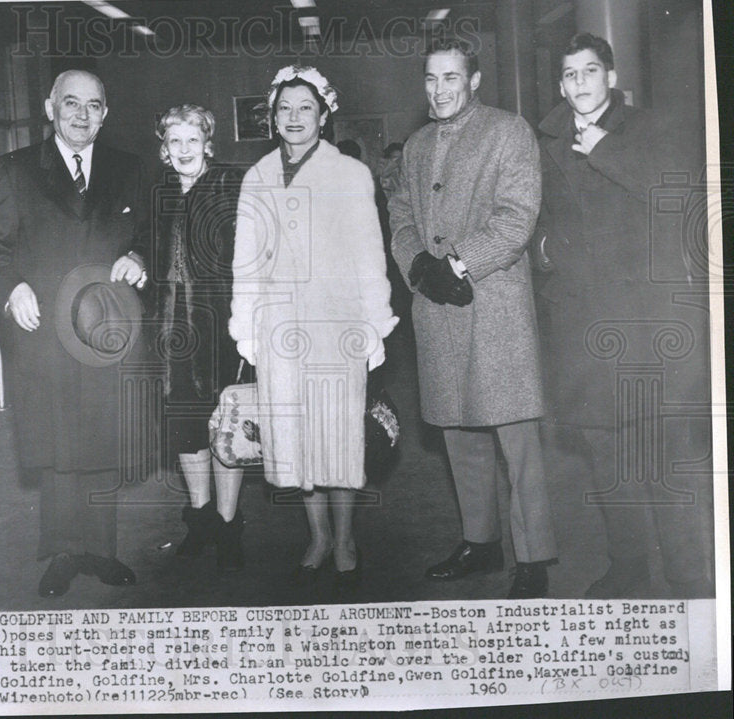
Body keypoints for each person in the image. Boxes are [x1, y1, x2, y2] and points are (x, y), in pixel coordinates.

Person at [535, 33, 713, 598]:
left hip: (644, 321)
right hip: (583, 326)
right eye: (569, 74)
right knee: (608, 459)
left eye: (590, 71)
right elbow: (539, 214)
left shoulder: (649, 128)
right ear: (560, 84)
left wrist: (604, 148)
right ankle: (629, 566)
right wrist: (543, 251)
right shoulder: (548, 137)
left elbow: (677, 193)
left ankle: (689, 577)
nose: (579, 83)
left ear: (610, 76)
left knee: (663, 456)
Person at [0, 70, 149, 598]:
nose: (81, 114)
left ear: (105, 113)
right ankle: (64, 552)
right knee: (56, 445)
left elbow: (150, 235)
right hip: (44, 334)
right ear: (49, 107)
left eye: (93, 105)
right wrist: (11, 287)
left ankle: (102, 550)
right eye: (70, 103)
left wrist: (140, 257)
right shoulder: (14, 168)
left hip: (105, 331)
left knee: (102, 438)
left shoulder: (129, 168)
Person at [388, 41, 556, 598]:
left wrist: (457, 263)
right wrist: (417, 263)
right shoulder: (413, 146)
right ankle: (480, 543)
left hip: (493, 303)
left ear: (475, 79)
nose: (440, 90)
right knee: (458, 431)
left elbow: (517, 218)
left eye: (452, 78)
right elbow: (401, 213)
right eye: (432, 79)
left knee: (516, 437)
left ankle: (533, 557)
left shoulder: (509, 132)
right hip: (437, 306)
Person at [231, 65, 396, 589]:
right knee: (297, 438)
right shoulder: (255, 176)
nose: (294, 117)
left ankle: (345, 539)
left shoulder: (351, 174)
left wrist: (374, 327)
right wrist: (246, 328)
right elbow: (246, 261)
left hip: (337, 324)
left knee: (339, 436)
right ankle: (318, 536)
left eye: (306, 108)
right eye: (285, 108)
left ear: (324, 116)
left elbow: (371, 257)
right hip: (278, 329)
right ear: (272, 116)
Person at [151, 104, 247, 570]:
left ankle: (229, 524)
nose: (184, 149)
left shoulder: (231, 186)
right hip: (173, 330)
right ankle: (202, 517)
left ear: (208, 143)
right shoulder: (158, 192)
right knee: (187, 427)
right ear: (164, 150)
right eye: (175, 141)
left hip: (223, 327)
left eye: (193, 140)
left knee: (224, 424)